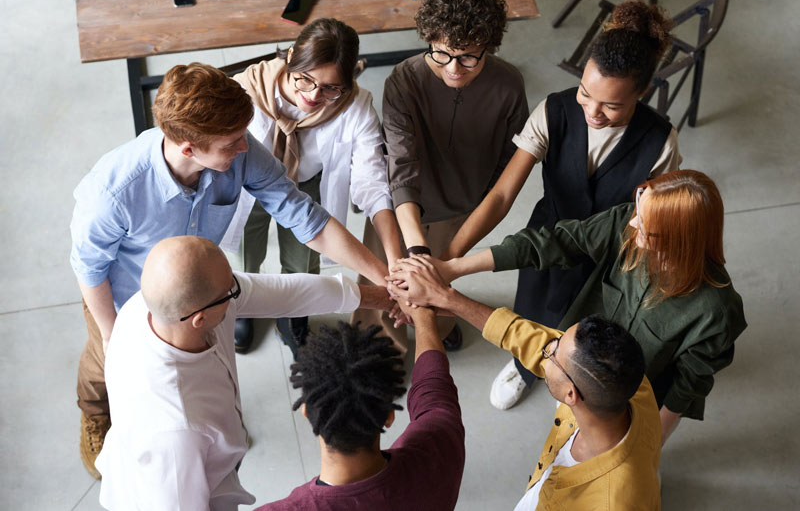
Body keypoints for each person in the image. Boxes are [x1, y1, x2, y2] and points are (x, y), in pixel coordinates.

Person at [70, 62, 388, 479]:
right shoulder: (113, 191)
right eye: (232, 142)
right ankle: (94, 414)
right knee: (102, 368)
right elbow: (88, 268)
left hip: (199, 291)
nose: (245, 147)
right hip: (123, 296)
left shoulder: (239, 149)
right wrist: (115, 340)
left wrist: (384, 276)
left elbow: (304, 217)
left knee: (197, 370)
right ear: (187, 147)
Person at [439, 0, 682, 410]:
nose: (593, 111)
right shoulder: (555, 110)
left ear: (642, 93)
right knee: (535, 309)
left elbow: (655, 220)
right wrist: (448, 262)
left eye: (612, 104)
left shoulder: (660, 142)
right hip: (547, 237)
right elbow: (500, 196)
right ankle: (525, 365)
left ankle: (574, 376)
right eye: (587, 93)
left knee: (591, 328)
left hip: (611, 252)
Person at [392, 170, 747, 444]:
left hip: (629, 401)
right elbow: (553, 243)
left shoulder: (716, 312)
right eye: (640, 207)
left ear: (680, 242)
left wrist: (648, 445)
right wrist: (452, 268)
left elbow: (686, 388)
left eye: (649, 230)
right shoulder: (628, 222)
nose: (634, 223)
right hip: (572, 360)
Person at [95, 236, 392, 510]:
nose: (237, 290)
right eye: (230, 290)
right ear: (200, 318)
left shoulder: (158, 306)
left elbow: (285, 293)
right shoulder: (177, 431)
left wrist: (383, 297)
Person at [388, 258, 661, 509]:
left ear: (571, 394)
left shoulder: (612, 502)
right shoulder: (629, 384)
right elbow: (529, 338)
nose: (546, 347)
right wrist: (446, 298)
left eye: (552, 353)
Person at [361, 0, 529, 355]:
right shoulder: (404, 80)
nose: (454, 68)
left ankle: (443, 322)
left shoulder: (509, 86)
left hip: (461, 207)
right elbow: (401, 166)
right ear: (429, 40)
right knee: (387, 279)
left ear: (490, 46)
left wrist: (443, 255)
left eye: (469, 57)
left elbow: (507, 167)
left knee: (441, 283)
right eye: (441, 54)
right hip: (403, 207)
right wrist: (417, 250)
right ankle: (382, 350)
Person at [222, 18, 403, 355]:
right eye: (304, 80)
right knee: (247, 249)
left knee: (304, 261)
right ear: (290, 57)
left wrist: (394, 263)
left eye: (330, 88)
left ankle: (294, 313)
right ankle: (244, 302)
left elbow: (372, 181)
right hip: (250, 184)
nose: (313, 96)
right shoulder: (246, 88)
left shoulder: (355, 105)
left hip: (308, 184)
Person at [257, 297, 465, 509]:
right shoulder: (442, 445)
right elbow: (434, 388)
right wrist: (424, 318)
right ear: (389, 416)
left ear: (307, 413)